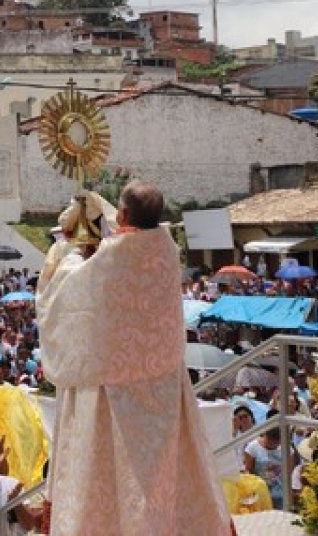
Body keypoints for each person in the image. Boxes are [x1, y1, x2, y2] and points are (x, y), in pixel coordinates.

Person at [37, 182, 230, 535]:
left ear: (123, 215)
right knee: (167, 485)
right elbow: (134, 227)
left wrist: (71, 248)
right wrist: (100, 209)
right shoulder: (167, 250)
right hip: (163, 391)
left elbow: (65, 290)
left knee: (115, 492)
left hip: (115, 402)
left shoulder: (110, 258)